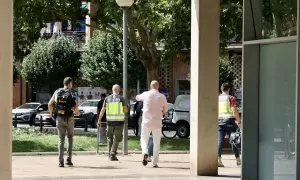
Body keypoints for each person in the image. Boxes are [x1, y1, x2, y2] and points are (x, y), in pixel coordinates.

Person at [48, 77, 80, 167]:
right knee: (70, 138)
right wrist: (77, 113)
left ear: (64, 83)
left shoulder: (57, 92)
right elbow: (75, 107)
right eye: (72, 84)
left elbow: (49, 104)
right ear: (70, 83)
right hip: (69, 118)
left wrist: (52, 114)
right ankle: (69, 159)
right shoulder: (73, 93)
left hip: (59, 118)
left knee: (61, 139)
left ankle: (60, 161)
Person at [136, 80, 168, 168]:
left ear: (150, 86)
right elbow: (166, 109)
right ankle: (154, 162)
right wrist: (162, 112)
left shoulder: (146, 94)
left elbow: (137, 97)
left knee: (143, 139)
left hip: (146, 122)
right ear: (158, 87)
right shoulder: (162, 96)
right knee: (157, 143)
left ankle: (145, 152)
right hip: (157, 122)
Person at [98, 84, 128, 161]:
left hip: (110, 122)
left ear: (112, 90)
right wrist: (127, 107)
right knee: (117, 138)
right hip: (119, 122)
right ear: (119, 90)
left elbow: (102, 110)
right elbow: (125, 111)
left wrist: (99, 119)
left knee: (110, 138)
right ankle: (113, 153)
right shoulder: (121, 99)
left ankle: (110, 153)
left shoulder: (107, 99)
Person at [218, 83, 241, 167]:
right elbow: (234, 110)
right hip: (229, 121)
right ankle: (238, 160)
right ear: (228, 89)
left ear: (221, 89)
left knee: (219, 141)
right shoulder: (230, 98)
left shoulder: (217, 98)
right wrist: (238, 121)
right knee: (233, 140)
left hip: (219, 122)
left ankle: (218, 159)